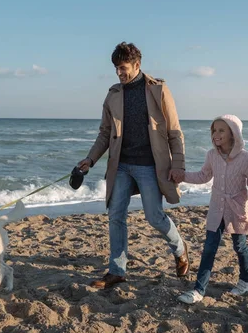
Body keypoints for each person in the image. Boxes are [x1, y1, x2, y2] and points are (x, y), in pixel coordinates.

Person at [76, 42, 189, 289]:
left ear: (137, 65)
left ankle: (180, 247)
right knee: (115, 214)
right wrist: (90, 159)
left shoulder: (158, 91)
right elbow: (105, 134)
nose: (119, 73)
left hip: (150, 165)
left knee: (154, 216)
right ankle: (117, 270)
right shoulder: (113, 95)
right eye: (116, 68)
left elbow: (174, 132)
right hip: (122, 165)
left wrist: (178, 164)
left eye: (123, 67)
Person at [172, 115, 248, 304]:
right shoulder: (212, 155)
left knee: (240, 246)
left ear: (234, 133)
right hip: (217, 207)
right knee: (209, 248)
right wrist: (182, 176)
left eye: (221, 130)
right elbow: (203, 176)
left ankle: (245, 281)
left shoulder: (246, 158)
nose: (216, 134)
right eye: (214, 130)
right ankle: (199, 290)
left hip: (237, 208)